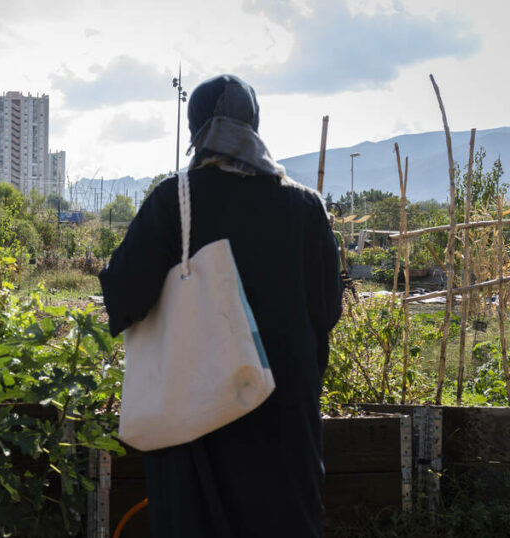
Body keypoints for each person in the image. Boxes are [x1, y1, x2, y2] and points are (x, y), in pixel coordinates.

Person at [99, 74, 342, 537]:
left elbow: (124, 299)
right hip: (284, 426)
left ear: (195, 131)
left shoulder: (175, 201)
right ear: (255, 125)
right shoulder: (306, 208)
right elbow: (326, 312)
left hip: (197, 425)